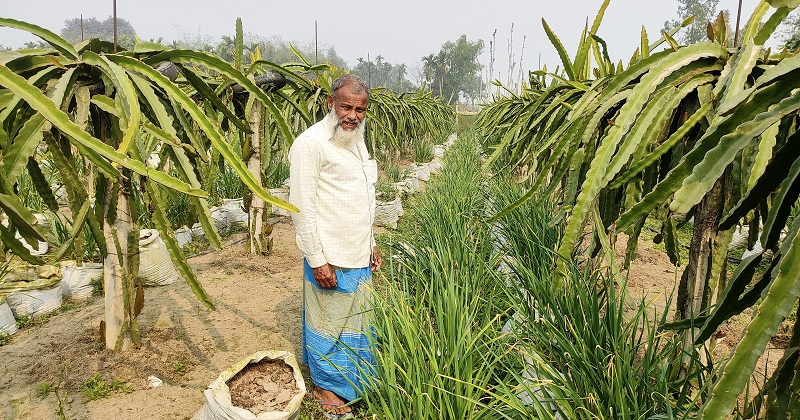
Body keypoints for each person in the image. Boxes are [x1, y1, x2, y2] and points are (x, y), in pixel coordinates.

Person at [288, 74, 382, 418]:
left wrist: (371, 242)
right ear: (331, 104)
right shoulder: (310, 144)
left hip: (357, 250)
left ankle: (352, 381)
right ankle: (326, 387)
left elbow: (362, 196)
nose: (353, 116)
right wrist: (316, 259)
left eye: (360, 109)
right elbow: (301, 205)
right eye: (346, 107)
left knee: (355, 322)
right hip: (330, 254)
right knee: (328, 323)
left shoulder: (356, 140)